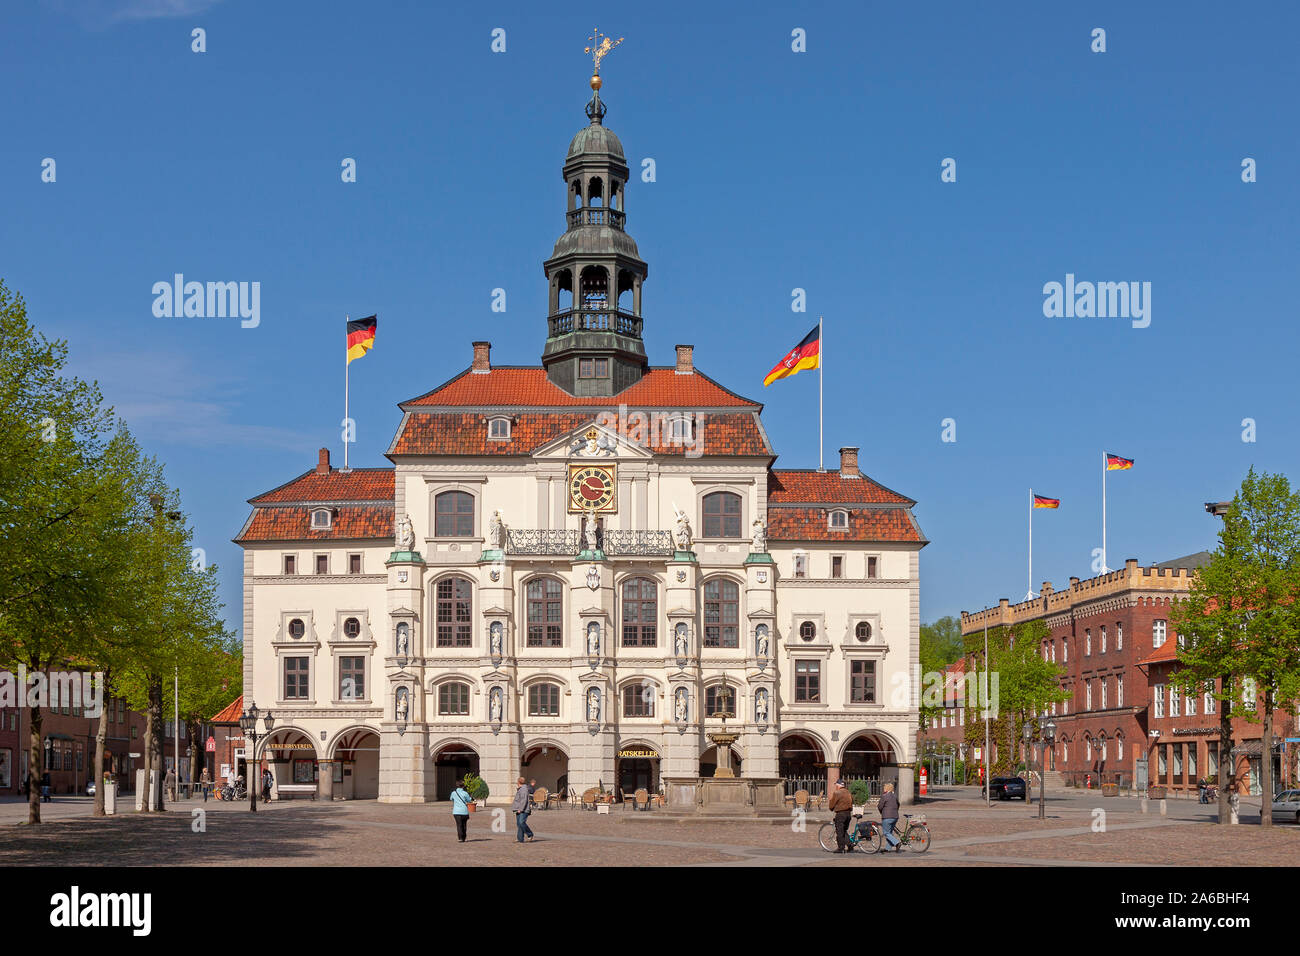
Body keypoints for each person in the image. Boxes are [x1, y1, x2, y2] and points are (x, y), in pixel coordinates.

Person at [827, 778, 853, 852]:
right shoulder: (848, 792)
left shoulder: (837, 793)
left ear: (838, 785)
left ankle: (841, 848)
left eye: (836, 785)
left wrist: (831, 808)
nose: (836, 786)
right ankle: (850, 845)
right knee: (844, 830)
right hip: (848, 814)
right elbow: (852, 801)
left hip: (841, 814)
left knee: (839, 831)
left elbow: (831, 805)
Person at [878, 782, 901, 852]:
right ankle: (888, 848)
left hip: (887, 817)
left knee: (886, 833)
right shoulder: (895, 796)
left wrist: (882, 812)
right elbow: (898, 805)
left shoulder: (884, 796)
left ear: (886, 788)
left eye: (884, 788)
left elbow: (880, 806)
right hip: (895, 817)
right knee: (889, 832)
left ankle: (897, 843)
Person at [511, 776, 535, 843]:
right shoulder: (521, 788)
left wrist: (520, 809)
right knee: (519, 824)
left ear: (518, 782)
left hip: (523, 810)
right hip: (519, 809)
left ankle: (530, 834)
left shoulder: (523, 789)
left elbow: (523, 800)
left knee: (521, 822)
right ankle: (520, 838)